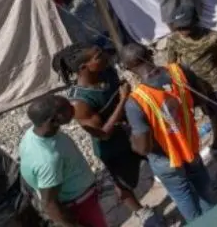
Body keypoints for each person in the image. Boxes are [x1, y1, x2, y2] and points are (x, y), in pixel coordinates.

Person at [121, 42, 217, 221]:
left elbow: (143, 148)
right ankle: (214, 218)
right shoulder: (178, 71)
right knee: (203, 185)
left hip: (165, 159)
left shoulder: (135, 102)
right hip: (190, 144)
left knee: (182, 194)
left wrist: (130, 136)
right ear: (150, 53)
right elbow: (201, 98)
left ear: (127, 68)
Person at [50, 46, 147, 219]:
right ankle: (142, 212)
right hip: (113, 146)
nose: (105, 56)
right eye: (98, 56)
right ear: (83, 67)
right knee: (124, 183)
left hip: (132, 130)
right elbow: (103, 133)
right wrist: (123, 100)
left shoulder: (106, 72)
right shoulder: (80, 101)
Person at [163, 5, 217, 165]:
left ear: (195, 21)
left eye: (186, 25)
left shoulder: (210, 34)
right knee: (211, 113)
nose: (183, 30)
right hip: (196, 86)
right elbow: (171, 64)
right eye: (180, 27)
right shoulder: (174, 40)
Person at [19, 95, 107, 227]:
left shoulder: (32, 133)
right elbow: (49, 204)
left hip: (79, 199)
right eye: (67, 109)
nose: (73, 107)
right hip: (79, 206)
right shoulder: (48, 160)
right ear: (54, 120)